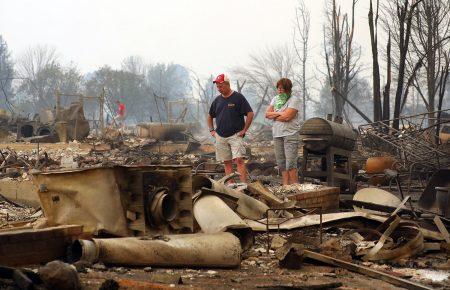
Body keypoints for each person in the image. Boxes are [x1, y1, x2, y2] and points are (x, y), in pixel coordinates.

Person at [207, 74, 254, 183]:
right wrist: (212, 130)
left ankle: (242, 187)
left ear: (227, 84)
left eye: (221, 86)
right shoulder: (217, 100)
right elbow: (210, 116)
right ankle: (231, 187)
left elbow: (250, 113)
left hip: (236, 135)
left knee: (239, 160)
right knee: (227, 162)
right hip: (220, 135)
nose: (219, 89)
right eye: (217, 87)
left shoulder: (238, 97)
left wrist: (244, 130)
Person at [265, 78, 301, 185]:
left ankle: (295, 186)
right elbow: (267, 114)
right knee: (281, 163)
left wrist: (275, 115)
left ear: (288, 89)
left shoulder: (294, 100)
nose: (279, 90)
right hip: (277, 134)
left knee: (290, 163)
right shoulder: (275, 99)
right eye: (278, 88)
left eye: (282, 88)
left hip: (290, 134)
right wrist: (281, 113)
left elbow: (288, 117)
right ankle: (285, 186)